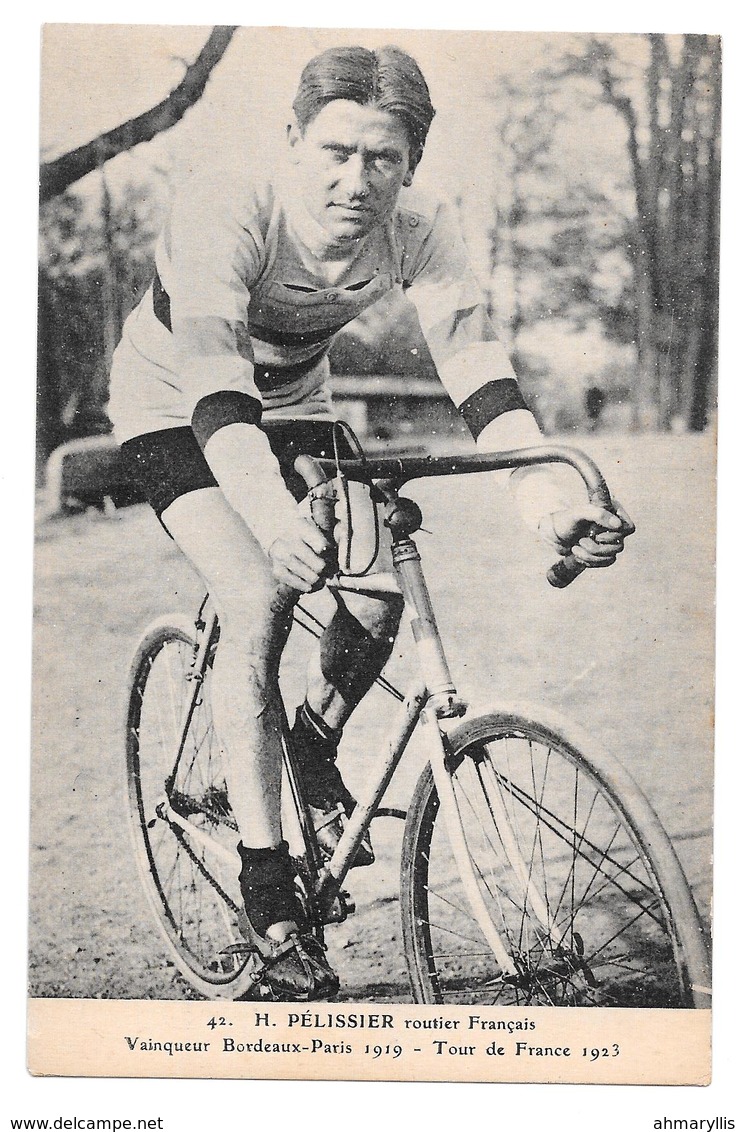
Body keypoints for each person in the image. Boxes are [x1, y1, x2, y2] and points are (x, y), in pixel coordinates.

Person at [108, 44, 634, 1000]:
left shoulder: (421, 226)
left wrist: (547, 502)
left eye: (382, 159)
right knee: (260, 588)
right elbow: (217, 385)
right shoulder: (227, 199)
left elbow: (477, 367)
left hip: (299, 403)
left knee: (381, 593)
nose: (356, 181)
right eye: (336, 151)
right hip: (175, 402)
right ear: (294, 139)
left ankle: (310, 739)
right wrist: (272, 520)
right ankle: (266, 882)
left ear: (411, 165)